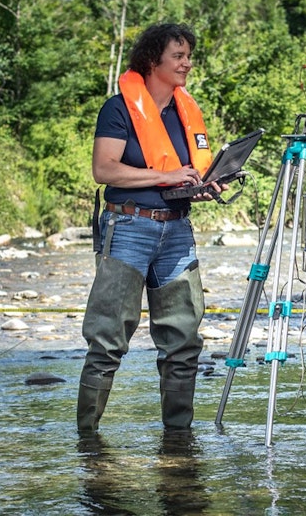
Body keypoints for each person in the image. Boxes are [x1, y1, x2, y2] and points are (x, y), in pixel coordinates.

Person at [77, 23, 224, 433]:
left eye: (188, 55)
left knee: (183, 341)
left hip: (177, 230)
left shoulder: (185, 111)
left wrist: (205, 184)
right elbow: (103, 169)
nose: (187, 63)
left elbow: (184, 172)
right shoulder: (118, 109)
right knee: (107, 340)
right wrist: (163, 178)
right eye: (178, 56)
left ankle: (179, 442)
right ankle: (86, 442)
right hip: (128, 227)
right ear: (151, 61)